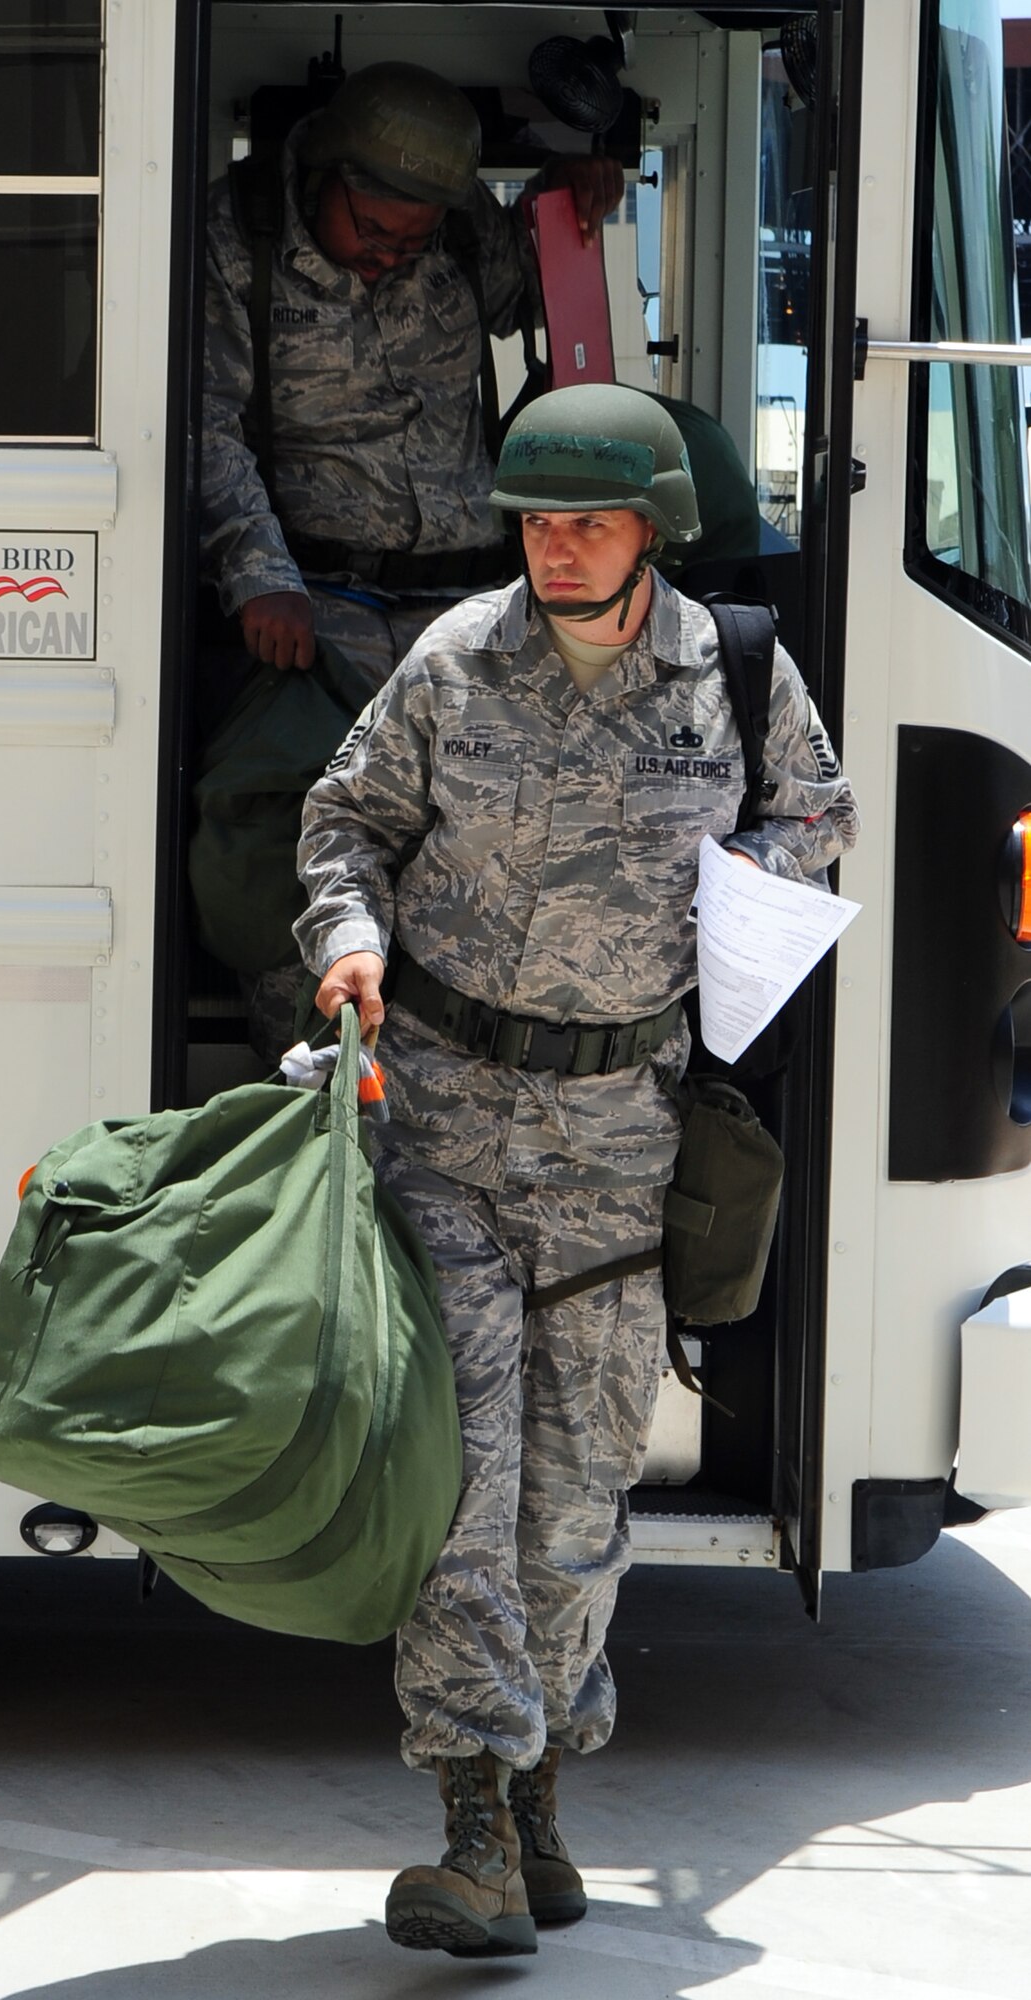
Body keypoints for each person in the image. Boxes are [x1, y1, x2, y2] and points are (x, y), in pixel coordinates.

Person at [292, 384, 859, 1959]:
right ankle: (469, 1816)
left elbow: (816, 814)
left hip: (624, 1148)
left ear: (652, 531)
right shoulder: (450, 659)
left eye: (587, 523)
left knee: (576, 1502)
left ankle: (538, 1792)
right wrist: (347, 949)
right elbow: (344, 826)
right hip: (451, 1130)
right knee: (465, 1487)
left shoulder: (733, 672)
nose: (553, 548)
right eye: (535, 521)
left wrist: (758, 896)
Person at [202, 60, 623, 691]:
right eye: (373, 232)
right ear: (328, 174)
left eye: (412, 244)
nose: (389, 258)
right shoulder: (237, 239)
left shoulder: (462, 223)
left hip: (477, 603)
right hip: (321, 610)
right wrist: (260, 576)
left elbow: (536, 300)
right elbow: (201, 425)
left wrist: (566, 199)